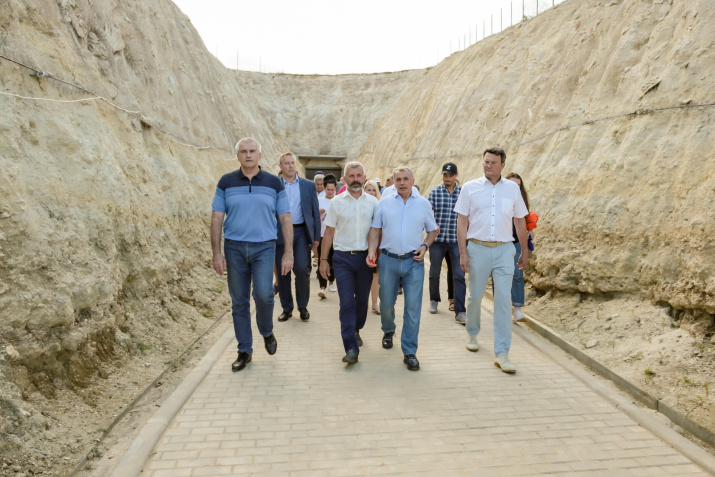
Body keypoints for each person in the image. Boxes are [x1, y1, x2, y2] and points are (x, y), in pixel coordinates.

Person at [210, 138, 293, 372]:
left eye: (252, 151)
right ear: (237, 156)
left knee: (264, 294)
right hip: (234, 248)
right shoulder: (226, 182)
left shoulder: (273, 183)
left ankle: (266, 331)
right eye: (243, 151)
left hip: (264, 247)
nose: (248, 155)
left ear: (259, 155)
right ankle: (244, 350)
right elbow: (217, 217)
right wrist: (216, 252)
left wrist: (288, 252)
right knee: (239, 301)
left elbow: (285, 217)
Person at [455, 147, 528, 374]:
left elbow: (520, 221)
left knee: (503, 301)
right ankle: (472, 333)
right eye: (486, 162)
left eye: (493, 163)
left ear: (502, 165)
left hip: (505, 250)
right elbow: (461, 222)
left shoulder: (512, 189)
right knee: (475, 296)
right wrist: (463, 252)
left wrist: (524, 250)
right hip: (477, 248)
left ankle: (502, 353)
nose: (488, 166)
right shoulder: (470, 188)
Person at [368, 167, 438, 371]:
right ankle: (388, 330)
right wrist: (371, 252)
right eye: (398, 179)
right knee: (386, 304)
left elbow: (432, 231)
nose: (402, 183)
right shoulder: (384, 203)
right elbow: (375, 230)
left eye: (406, 179)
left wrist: (425, 246)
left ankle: (409, 351)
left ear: (413, 181)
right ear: (393, 182)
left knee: (413, 308)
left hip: (413, 262)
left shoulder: (423, 204)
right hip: (388, 260)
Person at [321, 162, 378, 364]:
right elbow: (329, 233)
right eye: (351, 176)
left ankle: (356, 328)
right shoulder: (336, 202)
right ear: (344, 179)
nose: (355, 179)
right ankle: (351, 347)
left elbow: (377, 231)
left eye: (358, 175)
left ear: (364, 177)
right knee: (346, 302)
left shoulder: (374, 203)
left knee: (362, 300)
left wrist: (375, 255)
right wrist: (323, 260)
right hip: (342, 258)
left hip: (365, 259)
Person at [275, 152, 321, 322]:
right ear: (281, 166)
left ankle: (303, 307)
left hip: (301, 232)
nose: (290, 166)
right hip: (280, 232)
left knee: (301, 269)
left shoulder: (308, 185)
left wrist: (316, 237)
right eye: (286, 163)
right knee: (283, 272)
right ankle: (287, 309)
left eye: (292, 162)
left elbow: (314, 212)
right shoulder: (274, 186)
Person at [427, 162, 467, 324]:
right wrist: (432, 225)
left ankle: (460, 310)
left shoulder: (463, 193)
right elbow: (427, 213)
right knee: (434, 272)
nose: (447, 178)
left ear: (456, 176)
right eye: (445, 175)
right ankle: (434, 300)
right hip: (437, 240)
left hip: (456, 241)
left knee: (459, 274)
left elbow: (469, 214)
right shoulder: (435, 192)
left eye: (450, 175)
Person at [505, 172, 536, 323]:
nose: (515, 188)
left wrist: (530, 230)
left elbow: (527, 217)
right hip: (501, 242)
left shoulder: (522, 200)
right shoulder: (498, 198)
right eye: (512, 184)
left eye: (518, 185)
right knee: (502, 276)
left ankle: (517, 310)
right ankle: (503, 308)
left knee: (517, 274)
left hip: (517, 241)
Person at [317, 175, 337, 297]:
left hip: (336, 236)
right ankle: (322, 286)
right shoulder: (319, 201)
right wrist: (318, 213)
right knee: (323, 259)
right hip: (322, 234)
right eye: (328, 189)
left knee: (333, 260)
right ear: (324, 189)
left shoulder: (338, 201)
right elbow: (313, 217)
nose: (330, 192)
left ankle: (331, 282)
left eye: (332, 190)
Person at [363, 180, 382, 314]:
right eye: (368, 190)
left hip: (378, 243)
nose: (371, 192)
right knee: (363, 274)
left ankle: (375, 303)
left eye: (373, 190)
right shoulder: (360, 205)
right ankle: (363, 302)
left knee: (376, 274)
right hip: (362, 243)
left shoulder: (380, 205)